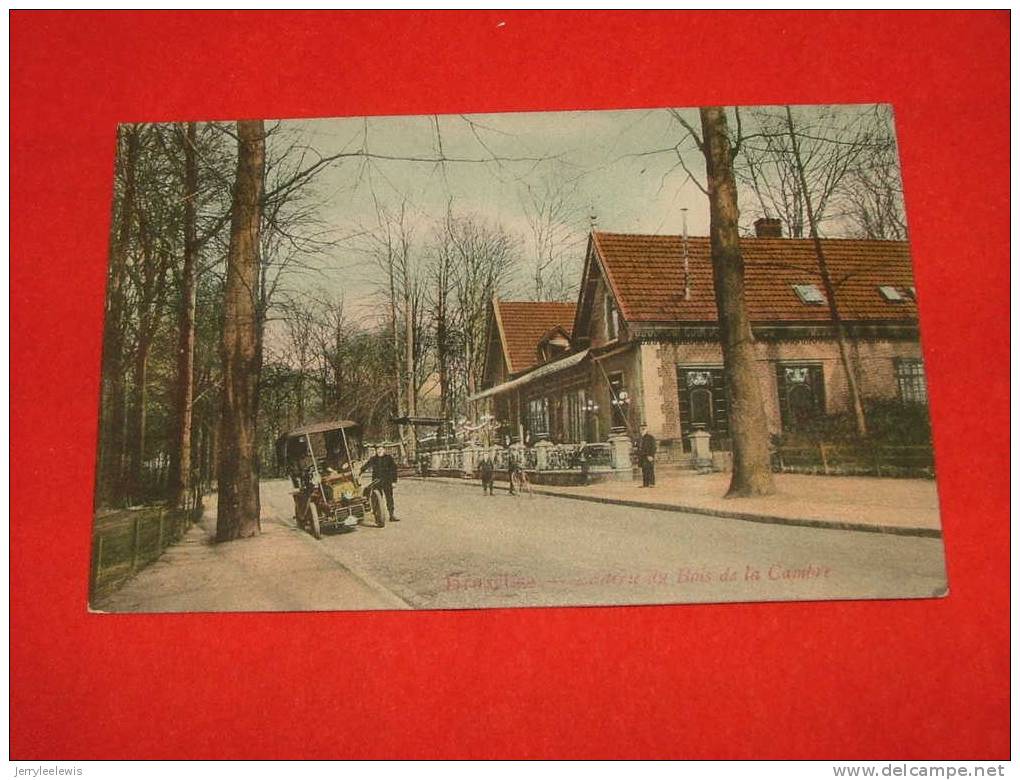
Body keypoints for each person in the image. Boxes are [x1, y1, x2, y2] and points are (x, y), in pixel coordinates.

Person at [360, 445, 399, 520]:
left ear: (384, 450)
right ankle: (378, 514)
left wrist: (394, 481)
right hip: (376, 481)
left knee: (389, 498)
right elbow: (366, 466)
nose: (379, 451)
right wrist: (360, 471)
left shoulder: (389, 458)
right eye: (377, 449)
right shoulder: (373, 459)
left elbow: (394, 470)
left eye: (381, 449)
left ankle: (392, 515)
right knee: (376, 497)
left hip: (387, 481)